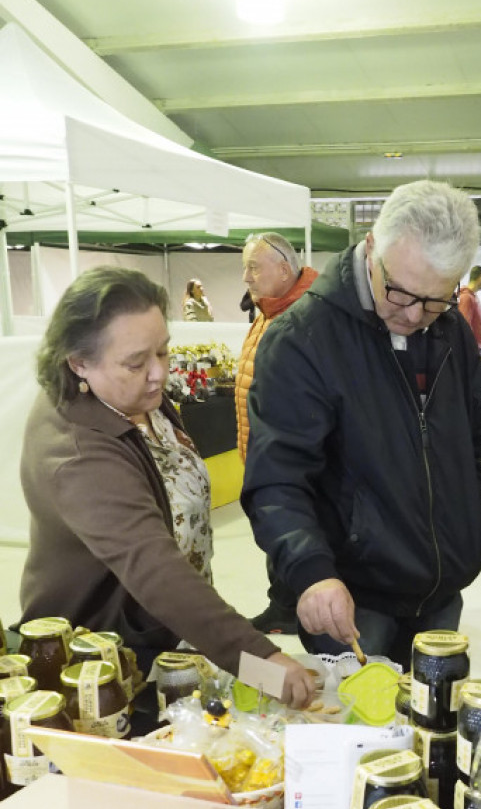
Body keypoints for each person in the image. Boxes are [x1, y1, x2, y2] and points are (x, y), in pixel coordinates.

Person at [19, 266, 315, 709]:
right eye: (136, 362)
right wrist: (261, 661)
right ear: (78, 362)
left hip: (166, 634)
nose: (158, 373)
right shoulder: (78, 453)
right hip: (104, 663)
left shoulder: (132, 399)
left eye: (163, 351)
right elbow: (154, 569)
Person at [241, 179, 481, 669]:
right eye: (399, 292)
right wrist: (311, 573)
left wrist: (465, 523)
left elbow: (472, 445)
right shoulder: (303, 339)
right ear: (372, 246)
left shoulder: (450, 330)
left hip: (441, 592)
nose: (416, 315)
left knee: (427, 727)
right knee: (358, 734)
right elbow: (277, 480)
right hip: (354, 601)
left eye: (437, 299)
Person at [235, 233, 319, 633]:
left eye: (253, 266)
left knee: (291, 524)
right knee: (272, 526)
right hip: (262, 447)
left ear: (284, 270)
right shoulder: (270, 311)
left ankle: (294, 605)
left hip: (285, 452)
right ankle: (283, 603)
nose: (246, 277)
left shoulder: (304, 317)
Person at [458, 265, 481, 361]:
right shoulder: (467, 297)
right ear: (480, 278)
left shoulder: (472, 296)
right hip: (476, 350)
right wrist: (474, 351)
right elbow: (465, 327)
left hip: (479, 347)